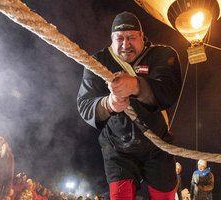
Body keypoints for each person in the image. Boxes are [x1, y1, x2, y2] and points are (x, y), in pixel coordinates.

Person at [77, 11, 182, 199]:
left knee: (165, 195)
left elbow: (168, 91)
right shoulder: (97, 62)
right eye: (120, 39)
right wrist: (108, 104)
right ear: (111, 39)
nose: (125, 44)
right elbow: (85, 104)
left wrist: (136, 85)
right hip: (117, 148)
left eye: (131, 37)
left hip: (157, 146)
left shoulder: (162, 55)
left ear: (142, 37)